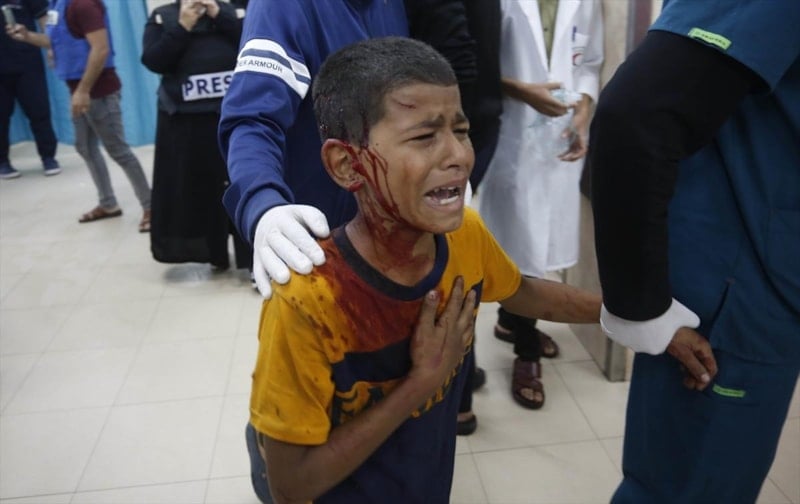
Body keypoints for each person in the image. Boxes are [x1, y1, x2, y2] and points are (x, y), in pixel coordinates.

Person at [246, 36, 603, 504]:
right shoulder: (310, 299)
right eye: (423, 137)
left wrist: (634, 316)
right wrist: (422, 383)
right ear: (347, 164)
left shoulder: (463, 236)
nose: (459, 156)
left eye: (462, 130)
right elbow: (291, 486)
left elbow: (522, 293)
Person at [588, 0, 799, 502]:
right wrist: (641, 308)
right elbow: (636, 116)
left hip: (762, 283)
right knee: (689, 491)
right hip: (738, 297)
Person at [477, 0, 603, 410]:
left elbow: (590, 61)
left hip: (560, 136)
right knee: (522, 247)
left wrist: (584, 108)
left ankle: (509, 322)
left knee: (537, 245)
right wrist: (519, 90)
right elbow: (472, 65)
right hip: (510, 134)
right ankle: (526, 352)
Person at [9, 0, 152, 231]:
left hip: (98, 91)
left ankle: (151, 207)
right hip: (78, 89)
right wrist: (27, 36)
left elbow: (101, 48)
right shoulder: (58, 5)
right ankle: (108, 204)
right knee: (84, 147)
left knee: (119, 151)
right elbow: (56, 41)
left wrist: (84, 91)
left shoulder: (83, 5)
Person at [141, 0, 251, 271]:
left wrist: (220, 16)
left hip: (235, 120)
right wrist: (183, 26)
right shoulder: (162, 17)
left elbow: (252, 44)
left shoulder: (235, 11)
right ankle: (215, 255)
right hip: (187, 125)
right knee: (202, 193)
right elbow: (154, 61)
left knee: (245, 187)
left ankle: (252, 259)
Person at [1, 0, 60, 179]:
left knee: (39, 110)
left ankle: (48, 157)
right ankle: (2, 162)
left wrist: (51, 45)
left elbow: (44, 18)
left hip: (27, 61)